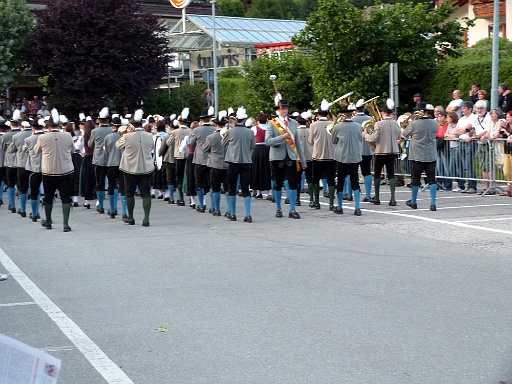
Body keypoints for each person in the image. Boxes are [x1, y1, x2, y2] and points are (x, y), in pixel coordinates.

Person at [34, 110, 74, 232]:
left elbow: (36, 151)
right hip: (65, 170)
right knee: (66, 197)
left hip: (49, 171)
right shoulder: (67, 135)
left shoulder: (42, 137)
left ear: (49, 126)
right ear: (59, 125)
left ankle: (48, 221)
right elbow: (72, 150)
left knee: (48, 197)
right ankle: (65, 224)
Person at [266, 98, 307, 219]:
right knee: (278, 183)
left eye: (285, 108)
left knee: (293, 183)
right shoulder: (272, 123)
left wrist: (303, 160)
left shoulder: (293, 123)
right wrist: (282, 137)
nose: (284, 110)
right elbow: (268, 142)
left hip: (291, 156)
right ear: (278, 110)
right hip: (277, 157)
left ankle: (292, 209)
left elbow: (298, 143)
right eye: (281, 108)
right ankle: (278, 208)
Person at [115, 109, 154, 227]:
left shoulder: (127, 136)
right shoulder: (149, 135)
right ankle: (146, 219)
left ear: (131, 124)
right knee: (146, 194)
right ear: (142, 124)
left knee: (129, 193)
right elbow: (151, 148)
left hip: (130, 168)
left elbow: (117, 145)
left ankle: (131, 217)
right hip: (146, 167)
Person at [364, 99, 401, 206]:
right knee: (391, 175)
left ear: (383, 113)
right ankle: (393, 199)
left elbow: (374, 138)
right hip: (392, 151)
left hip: (381, 152)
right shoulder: (395, 124)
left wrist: (365, 135)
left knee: (377, 174)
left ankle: (377, 197)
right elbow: (399, 137)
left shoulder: (378, 124)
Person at [222, 107, 255, 222]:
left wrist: (228, 129)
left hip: (233, 161)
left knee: (232, 188)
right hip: (246, 161)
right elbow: (252, 147)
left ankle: (233, 213)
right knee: (245, 188)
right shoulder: (250, 132)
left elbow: (223, 143)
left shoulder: (230, 131)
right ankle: (248, 214)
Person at [402, 108, 438, 210]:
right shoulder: (434, 123)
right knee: (432, 179)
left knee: (415, 179)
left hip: (417, 155)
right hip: (431, 154)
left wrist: (408, 125)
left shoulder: (414, 123)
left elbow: (404, 133)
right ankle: (433, 203)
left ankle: (413, 202)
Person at [332, 104, 363, 215]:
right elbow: (360, 139)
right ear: (351, 114)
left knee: (340, 182)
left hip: (342, 157)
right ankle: (357, 208)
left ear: (342, 115)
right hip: (355, 157)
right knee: (355, 182)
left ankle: (340, 207)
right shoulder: (359, 126)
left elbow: (334, 141)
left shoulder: (337, 127)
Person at [308, 99, 336, 209]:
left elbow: (310, 141)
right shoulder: (333, 124)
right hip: (331, 156)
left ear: (318, 114)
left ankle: (316, 202)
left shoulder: (313, 125)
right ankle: (331, 204)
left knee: (315, 179)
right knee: (331, 180)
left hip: (318, 156)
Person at [203, 111, 229, 216]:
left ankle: (217, 209)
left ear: (216, 125)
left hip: (215, 164)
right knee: (228, 189)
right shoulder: (229, 135)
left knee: (215, 188)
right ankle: (229, 209)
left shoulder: (211, 137)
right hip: (227, 164)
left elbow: (204, 149)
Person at [190, 107, 216, 212]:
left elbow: (191, 144)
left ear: (201, 120)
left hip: (199, 159)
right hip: (211, 159)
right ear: (209, 119)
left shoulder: (196, 130)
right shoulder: (214, 129)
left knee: (199, 183)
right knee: (212, 184)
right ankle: (213, 206)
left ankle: (202, 205)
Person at [88, 107, 112, 213]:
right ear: (108, 120)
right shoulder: (112, 130)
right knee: (112, 183)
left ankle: (100, 205)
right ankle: (112, 207)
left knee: (99, 183)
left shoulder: (95, 131)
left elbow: (90, 144)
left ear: (99, 120)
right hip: (111, 159)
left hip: (99, 159)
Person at [8, 117, 32, 217]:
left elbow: (11, 150)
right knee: (35, 188)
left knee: (23, 187)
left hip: (21, 164)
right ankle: (36, 212)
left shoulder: (17, 136)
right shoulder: (38, 135)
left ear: (21, 126)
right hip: (35, 164)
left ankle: (22, 209)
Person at [453, 101, 478, 193]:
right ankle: (462, 185)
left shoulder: (474, 118)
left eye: (464, 108)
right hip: (461, 141)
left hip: (470, 143)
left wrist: (463, 130)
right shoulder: (461, 119)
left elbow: (470, 130)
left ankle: (472, 185)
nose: (462, 110)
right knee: (460, 164)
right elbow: (456, 131)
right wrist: (464, 130)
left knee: (468, 164)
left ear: (470, 109)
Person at [22, 118, 45, 222]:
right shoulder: (46, 137)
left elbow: (24, 150)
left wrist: (31, 136)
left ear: (32, 127)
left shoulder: (29, 139)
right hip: (47, 168)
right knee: (49, 192)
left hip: (34, 168)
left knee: (34, 192)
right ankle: (48, 215)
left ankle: (34, 213)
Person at [166, 108, 190, 206]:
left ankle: (181, 198)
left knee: (179, 178)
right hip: (188, 156)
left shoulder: (175, 132)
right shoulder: (190, 131)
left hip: (179, 156)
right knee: (188, 177)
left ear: (179, 122)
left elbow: (168, 142)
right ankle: (191, 199)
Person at [351, 99, 374, 202]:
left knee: (352, 172)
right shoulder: (370, 118)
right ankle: (368, 195)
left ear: (356, 109)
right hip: (368, 149)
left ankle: (353, 193)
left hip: (355, 149)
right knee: (367, 172)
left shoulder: (352, 119)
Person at [2, 110, 22, 213]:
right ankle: (22, 207)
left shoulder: (5, 136)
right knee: (22, 185)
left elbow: (3, 148)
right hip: (21, 163)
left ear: (10, 124)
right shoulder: (22, 134)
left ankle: (12, 204)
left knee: (10, 184)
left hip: (10, 163)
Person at [104, 116, 123, 219]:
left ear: (112, 126)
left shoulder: (108, 137)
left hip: (112, 163)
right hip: (123, 164)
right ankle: (124, 212)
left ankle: (112, 210)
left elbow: (106, 151)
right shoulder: (125, 136)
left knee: (111, 185)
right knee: (123, 187)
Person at [251, 112, 272, 199]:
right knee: (268, 169)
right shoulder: (269, 128)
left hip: (258, 149)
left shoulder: (254, 128)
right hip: (267, 149)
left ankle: (258, 192)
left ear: (258, 121)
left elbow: (251, 139)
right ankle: (269, 192)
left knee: (257, 169)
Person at [80, 119, 96, 208]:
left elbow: (80, 147)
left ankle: (87, 201)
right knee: (95, 178)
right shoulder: (95, 135)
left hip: (86, 158)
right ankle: (97, 200)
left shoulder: (84, 136)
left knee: (86, 179)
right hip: (94, 156)